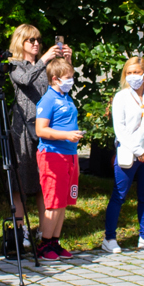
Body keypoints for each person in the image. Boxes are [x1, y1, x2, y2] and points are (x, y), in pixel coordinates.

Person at [7, 25, 69, 244]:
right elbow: (24, 80)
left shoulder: (47, 65)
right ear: (21, 42)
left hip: (46, 126)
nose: (36, 43)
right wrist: (43, 60)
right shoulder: (14, 64)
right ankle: (20, 230)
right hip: (23, 128)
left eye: (38, 40)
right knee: (21, 181)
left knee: (46, 181)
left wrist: (66, 61)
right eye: (31, 40)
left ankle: (45, 230)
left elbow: (63, 85)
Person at [102, 56, 144, 254]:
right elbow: (120, 130)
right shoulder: (121, 97)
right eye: (128, 73)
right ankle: (109, 238)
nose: (132, 76)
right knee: (119, 195)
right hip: (128, 154)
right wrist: (138, 151)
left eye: (136, 72)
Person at [34, 57, 82, 260]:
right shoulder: (48, 99)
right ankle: (44, 244)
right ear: (55, 79)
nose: (71, 81)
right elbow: (40, 130)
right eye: (67, 78)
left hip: (70, 155)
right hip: (53, 155)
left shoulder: (66, 97)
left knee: (63, 201)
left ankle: (55, 241)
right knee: (53, 201)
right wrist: (66, 135)